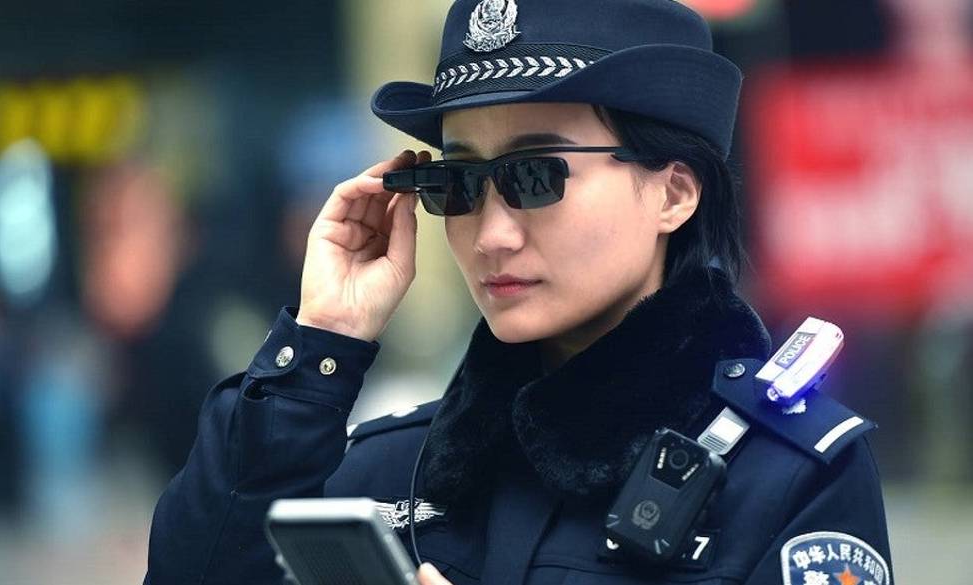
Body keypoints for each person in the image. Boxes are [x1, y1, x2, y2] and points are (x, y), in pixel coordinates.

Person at [144, 1, 893, 584]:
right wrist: (319, 346)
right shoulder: (394, 465)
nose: (492, 234)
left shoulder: (785, 474)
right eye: (459, 183)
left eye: (536, 176)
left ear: (674, 193)